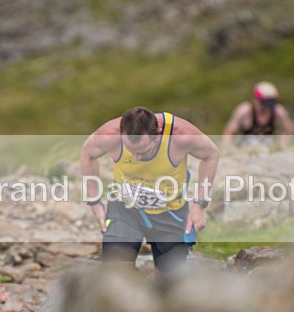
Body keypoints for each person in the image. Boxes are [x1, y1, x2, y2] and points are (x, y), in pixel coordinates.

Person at [80, 107, 219, 273]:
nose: (137, 158)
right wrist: (94, 202)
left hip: (170, 214)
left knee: (168, 285)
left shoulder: (181, 135)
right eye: (131, 151)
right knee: (115, 275)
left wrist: (199, 205)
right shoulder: (110, 134)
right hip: (125, 209)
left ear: (158, 135)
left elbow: (211, 154)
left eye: (144, 152)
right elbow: (88, 153)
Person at [223, 81, 294, 147]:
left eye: (271, 102)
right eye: (265, 102)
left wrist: (282, 145)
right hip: (245, 145)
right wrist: (230, 148)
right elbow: (228, 132)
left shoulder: (278, 111)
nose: (267, 106)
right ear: (256, 100)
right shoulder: (244, 111)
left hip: (267, 145)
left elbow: (287, 129)